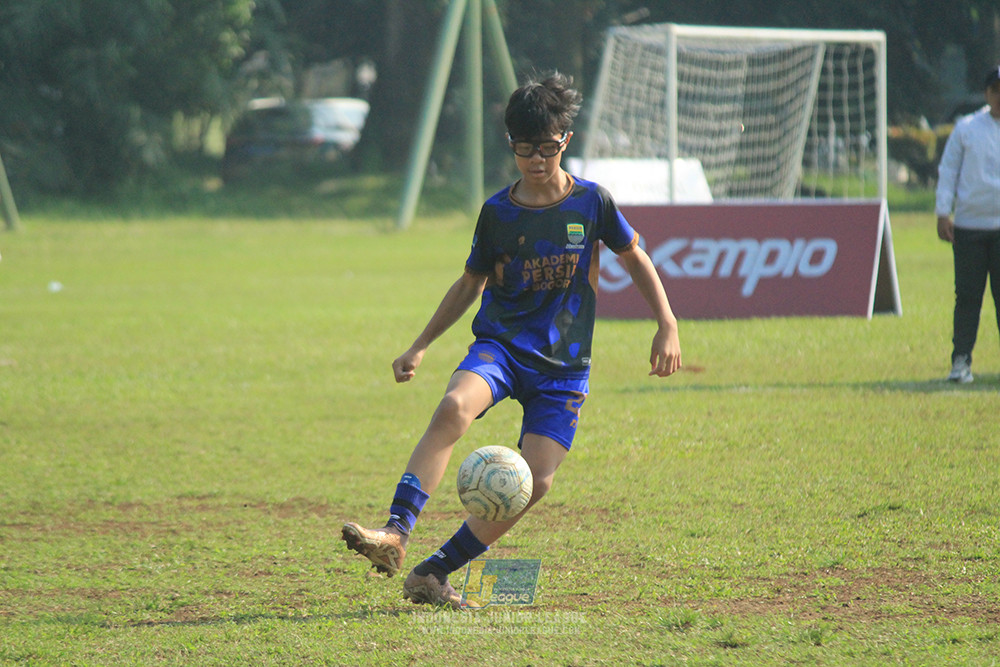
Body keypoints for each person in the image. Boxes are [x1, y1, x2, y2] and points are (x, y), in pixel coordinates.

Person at [341, 72, 682, 608]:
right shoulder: (498, 212)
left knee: (536, 481)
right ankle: (395, 535)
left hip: (564, 366)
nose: (537, 159)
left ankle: (434, 573)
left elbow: (633, 256)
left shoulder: (592, 202)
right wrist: (421, 343)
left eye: (547, 147)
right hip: (501, 347)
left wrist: (667, 322)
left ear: (565, 140)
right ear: (512, 145)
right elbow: (470, 281)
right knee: (454, 406)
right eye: (525, 148)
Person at [935, 65, 1000, 383]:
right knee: (968, 298)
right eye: (996, 90)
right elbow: (948, 171)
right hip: (971, 226)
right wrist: (942, 212)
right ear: (987, 93)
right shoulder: (968, 128)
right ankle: (961, 361)